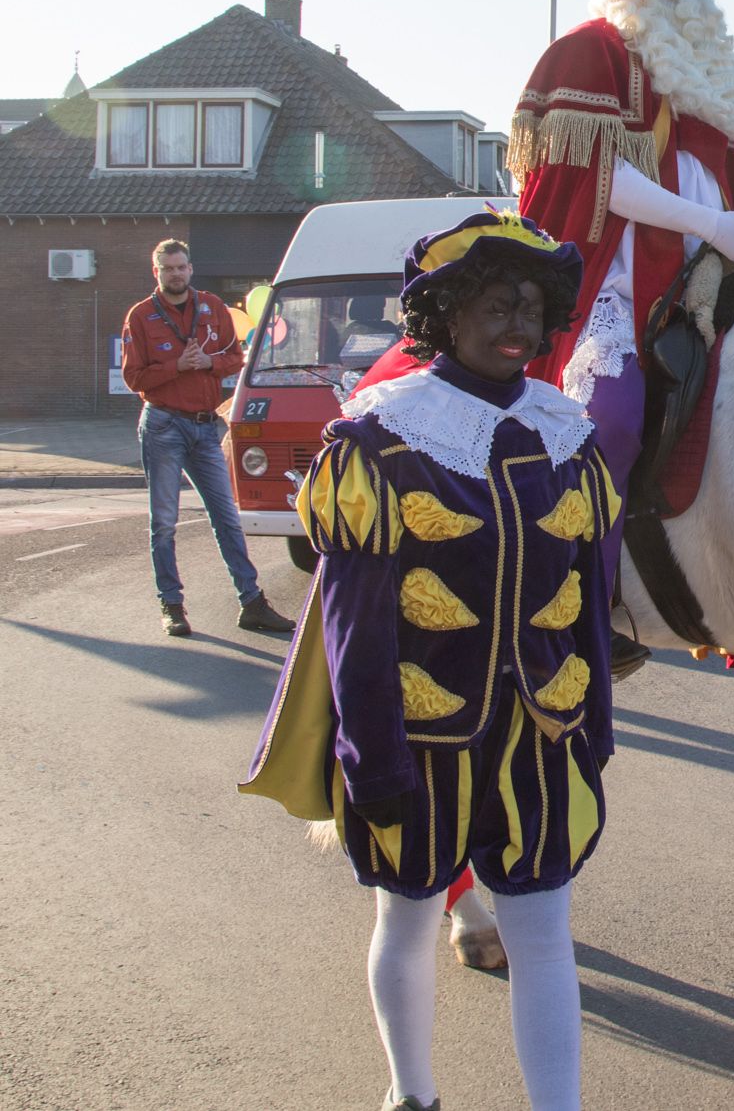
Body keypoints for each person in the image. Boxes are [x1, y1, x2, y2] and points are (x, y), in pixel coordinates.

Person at [240, 211, 617, 1111]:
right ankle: (412, 1093)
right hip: (418, 737)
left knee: (543, 928)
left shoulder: (567, 434)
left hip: (538, 735)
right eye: (494, 303)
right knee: (405, 918)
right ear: (445, 314)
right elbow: (353, 623)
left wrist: (593, 723)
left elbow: (589, 613)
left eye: (528, 304)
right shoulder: (382, 438)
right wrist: (371, 762)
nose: (516, 323)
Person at [511, 0, 734, 673]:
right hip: (620, 291)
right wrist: (714, 229)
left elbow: (732, 186)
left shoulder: (705, 73)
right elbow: (596, 176)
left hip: (713, 289)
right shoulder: (592, 53)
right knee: (611, 418)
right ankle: (572, 615)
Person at [120, 239, 296, 638]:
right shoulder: (141, 316)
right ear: (157, 273)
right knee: (164, 522)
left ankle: (252, 603)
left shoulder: (213, 307)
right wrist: (176, 365)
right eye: (168, 269)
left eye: (181, 267)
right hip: (163, 424)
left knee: (227, 518)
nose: (175, 274)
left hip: (204, 426)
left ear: (190, 268)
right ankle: (172, 605)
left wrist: (210, 363)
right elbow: (134, 378)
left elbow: (237, 357)